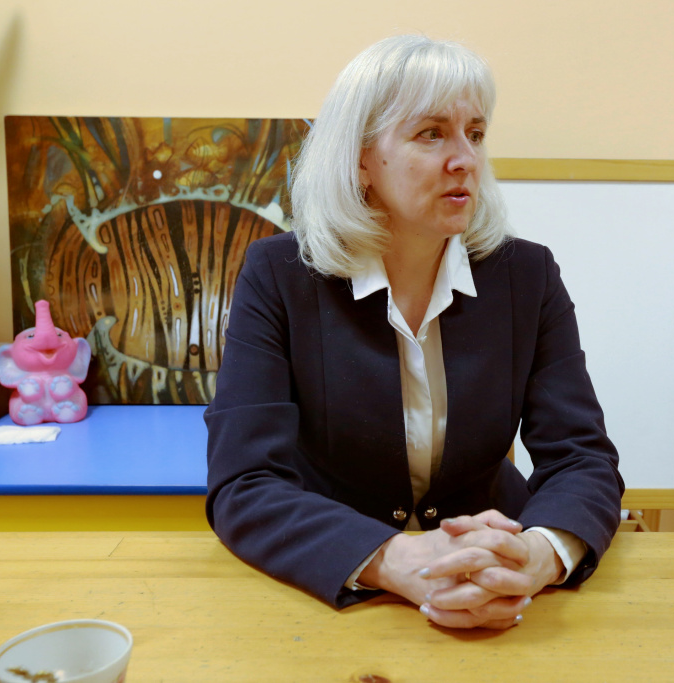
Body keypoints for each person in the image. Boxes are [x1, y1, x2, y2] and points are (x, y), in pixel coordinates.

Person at [205, 34, 624, 630]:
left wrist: (536, 555)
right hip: (342, 592)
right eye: (431, 134)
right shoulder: (279, 275)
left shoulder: (526, 275)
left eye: (475, 134)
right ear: (360, 159)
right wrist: (396, 559)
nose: (465, 159)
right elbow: (244, 484)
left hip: (499, 583)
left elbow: (582, 457)